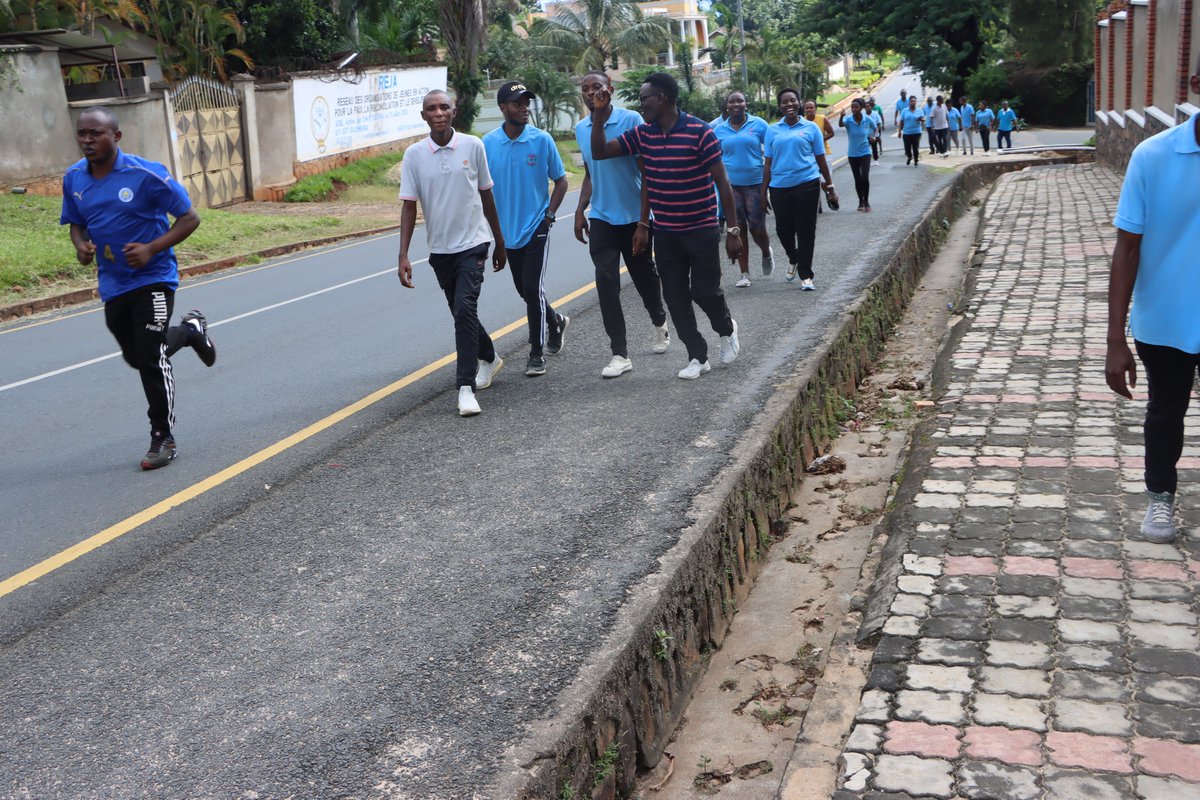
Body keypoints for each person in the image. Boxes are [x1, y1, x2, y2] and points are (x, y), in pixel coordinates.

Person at [61, 106, 215, 470]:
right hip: (113, 284)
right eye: (82, 133)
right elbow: (76, 224)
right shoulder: (73, 179)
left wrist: (152, 248)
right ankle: (191, 331)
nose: (87, 139)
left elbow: (190, 217)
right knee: (137, 357)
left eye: (95, 133)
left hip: (154, 279)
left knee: (149, 357)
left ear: (115, 137)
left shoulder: (145, 174)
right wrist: (81, 247)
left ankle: (163, 437)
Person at [588, 71, 742, 380]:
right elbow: (600, 152)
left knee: (704, 291)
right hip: (667, 232)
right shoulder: (643, 134)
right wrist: (598, 115)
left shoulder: (700, 132)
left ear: (663, 99)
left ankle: (726, 328)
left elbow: (723, 184)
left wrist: (734, 232)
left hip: (701, 229)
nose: (641, 104)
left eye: (645, 98)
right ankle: (697, 355)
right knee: (674, 296)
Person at [1104, 55, 1200, 543]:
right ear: (1197, 85)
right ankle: (1160, 499)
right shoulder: (1154, 156)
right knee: (1166, 412)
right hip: (1164, 317)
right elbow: (1127, 247)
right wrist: (1113, 339)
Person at [398, 90, 506, 417]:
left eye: (444, 106)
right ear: (423, 116)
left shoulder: (473, 146)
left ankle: (465, 388)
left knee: (463, 310)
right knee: (463, 313)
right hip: (440, 250)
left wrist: (499, 242)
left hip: (474, 243)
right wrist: (402, 255)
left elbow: (487, 196)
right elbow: (408, 206)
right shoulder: (414, 155)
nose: (439, 112)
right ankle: (489, 356)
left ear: (454, 111)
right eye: (431, 108)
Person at [574, 70, 671, 380]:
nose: (591, 94)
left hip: (634, 217)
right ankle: (619, 353)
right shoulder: (582, 128)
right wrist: (580, 209)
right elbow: (590, 174)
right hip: (602, 217)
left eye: (597, 88)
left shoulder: (631, 122)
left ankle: (659, 322)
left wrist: (644, 222)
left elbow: (649, 174)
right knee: (606, 282)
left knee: (644, 278)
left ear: (610, 90)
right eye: (586, 89)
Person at [483, 81, 570, 378]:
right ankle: (555, 321)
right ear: (503, 107)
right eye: (517, 103)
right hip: (506, 233)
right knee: (525, 290)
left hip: (536, 227)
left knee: (532, 289)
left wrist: (548, 216)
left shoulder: (541, 139)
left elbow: (561, 181)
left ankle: (536, 353)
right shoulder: (487, 144)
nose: (524, 108)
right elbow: (481, 189)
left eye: (526, 102)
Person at [763, 88, 838, 290]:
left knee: (806, 230)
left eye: (792, 100)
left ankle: (806, 275)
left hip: (807, 183)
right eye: (784, 102)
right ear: (779, 106)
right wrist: (763, 194)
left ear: (799, 103)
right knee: (783, 230)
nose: (789, 104)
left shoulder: (811, 128)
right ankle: (793, 258)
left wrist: (829, 187)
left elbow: (820, 158)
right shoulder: (772, 130)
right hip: (779, 186)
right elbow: (768, 163)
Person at [711, 90, 774, 287]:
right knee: (737, 230)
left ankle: (766, 252)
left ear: (746, 104)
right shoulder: (718, 130)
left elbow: (771, 150)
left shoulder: (759, 125)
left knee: (757, 228)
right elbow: (714, 159)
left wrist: (768, 186)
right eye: (732, 102)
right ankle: (744, 273)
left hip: (755, 184)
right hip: (730, 187)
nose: (736, 104)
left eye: (740, 101)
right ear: (726, 106)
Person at [838, 98, 877, 212]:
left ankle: (867, 201)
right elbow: (841, 124)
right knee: (857, 179)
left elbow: (875, 128)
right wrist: (841, 116)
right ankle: (860, 201)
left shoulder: (867, 119)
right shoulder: (849, 120)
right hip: (853, 154)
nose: (854, 109)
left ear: (861, 108)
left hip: (865, 152)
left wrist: (875, 137)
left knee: (865, 177)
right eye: (852, 107)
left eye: (856, 107)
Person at [803, 100, 836, 212]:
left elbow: (831, 132)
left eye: (811, 107)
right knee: (813, 181)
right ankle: (818, 206)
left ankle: (828, 193)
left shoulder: (822, 119)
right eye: (807, 108)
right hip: (810, 155)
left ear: (815, 109)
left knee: (823, 182)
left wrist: (819, 139)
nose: (809, 110)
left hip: (824, 153)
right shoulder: (802, 121)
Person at [897, 95, 926, 167]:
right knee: (907, 148)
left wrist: (922, 120)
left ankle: (916, 161)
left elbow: (923, 120)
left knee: (915, 147)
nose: (912, 102)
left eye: (914, 101)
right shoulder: (905, 111)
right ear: (909, 102)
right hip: (907, 133)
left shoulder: (919, 111)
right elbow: (901, 122)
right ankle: (910, 156)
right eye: (911, 101)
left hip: (917, 132)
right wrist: (899, 131)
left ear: (916, 102)